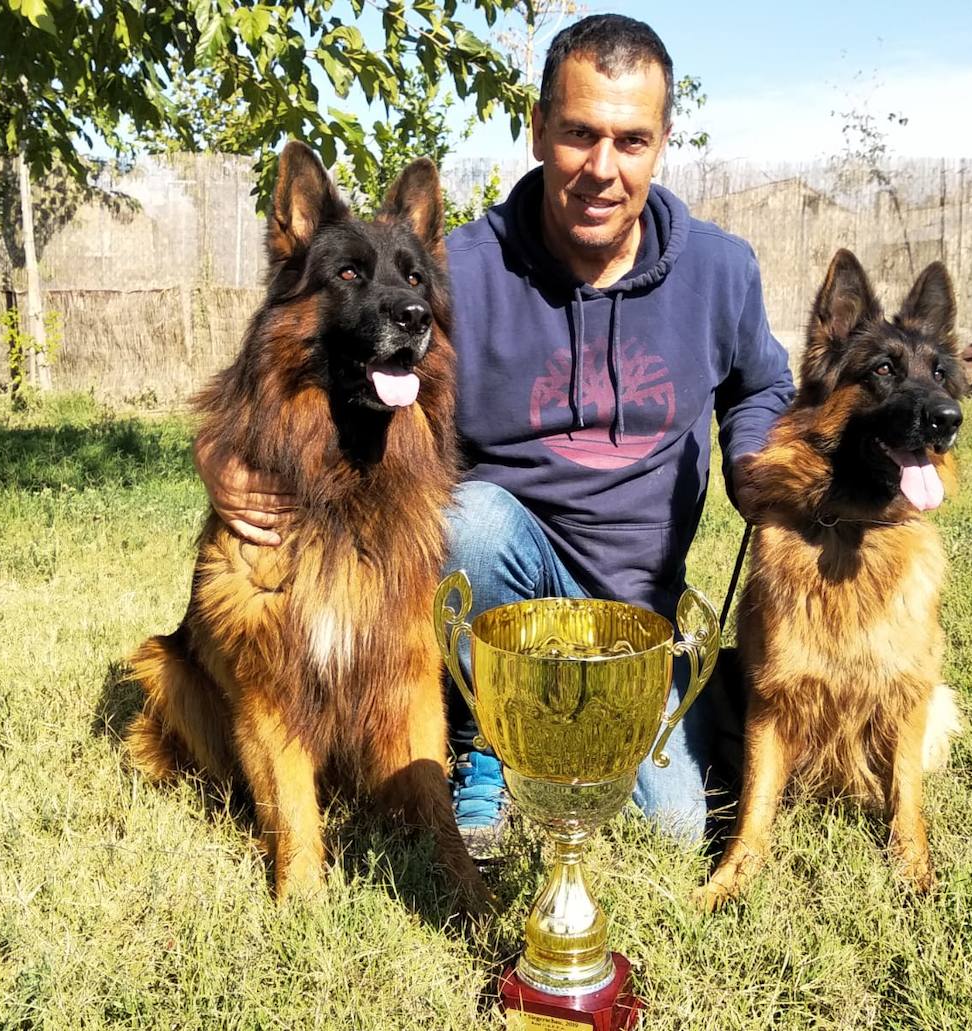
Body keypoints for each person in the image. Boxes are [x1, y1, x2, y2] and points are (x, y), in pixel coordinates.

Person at [193, 14, 795, 854]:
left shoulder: (721, 271)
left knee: (674, 829)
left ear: (662, 144)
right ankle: (481, 737)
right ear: (539, 128)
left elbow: (764, 384)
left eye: (631, 140)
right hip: (503, 574)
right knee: (469, 519)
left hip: (634, 619)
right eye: (580, 133)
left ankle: (597, 726)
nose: (603, 167)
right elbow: (301, 360)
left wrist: (757, 463)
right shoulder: (456, 273)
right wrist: (219, 451)